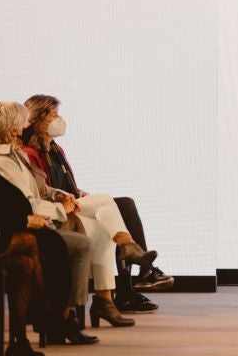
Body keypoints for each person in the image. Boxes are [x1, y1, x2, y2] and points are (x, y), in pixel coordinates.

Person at [22, 95, 173, 315]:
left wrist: (78, 193)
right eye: (55, 115)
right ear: (39, 120)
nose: (60, 120)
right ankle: (136, 279)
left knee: (123, 206)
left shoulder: (56, 150)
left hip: (72, 204)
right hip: (59, 214)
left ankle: (130, 284)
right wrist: (68, 197)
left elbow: (65, 186)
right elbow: (41, 194)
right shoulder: (30, 154)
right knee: (112, 205)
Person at [0, 102, 96, 345]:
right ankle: (59, 317)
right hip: (20, 226)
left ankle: (60, 317)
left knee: (78, 238)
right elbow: (23, 204)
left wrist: (59, 195)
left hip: (32, 220)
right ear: (12, 127)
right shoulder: (3, 160)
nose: (27, 124)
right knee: (68, 243)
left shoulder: (17, 154)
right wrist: (60, 209)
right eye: (23, 121)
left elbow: (35, 190)